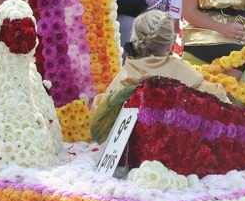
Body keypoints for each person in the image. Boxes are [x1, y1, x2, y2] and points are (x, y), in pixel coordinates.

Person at [91, 10, 228, 143]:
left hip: (132, 147)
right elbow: (219, 100)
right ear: (169, 45)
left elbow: (100, 116)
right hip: (176, 146)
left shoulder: (128, 71)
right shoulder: (179, 69)